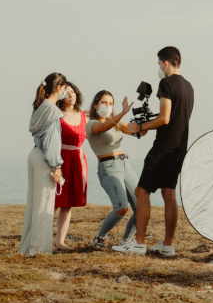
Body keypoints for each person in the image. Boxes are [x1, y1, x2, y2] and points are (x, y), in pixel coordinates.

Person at [115, 46, 195, 256]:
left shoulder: (166, 83)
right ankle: (167, 246)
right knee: (169, 193)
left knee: (142, 191)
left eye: (159, 65)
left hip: (163, 147)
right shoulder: (188, 87)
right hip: (180, 147)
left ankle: (139, 243)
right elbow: (173, 118)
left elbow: (165, 118)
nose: (159, 68)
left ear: (166, 63)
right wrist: (148, 121)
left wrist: (139, 127)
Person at [87, 90, 144, 250]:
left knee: (142, 206)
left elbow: (134, 129)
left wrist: (143, 127)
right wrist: (122, 113)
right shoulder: (91, 124)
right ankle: (99, 238)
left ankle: (126, 241)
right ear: (95, 104)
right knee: (122, 208)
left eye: (111, 103)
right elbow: (104, 126)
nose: (108, 106)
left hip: (125, 164)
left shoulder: (117, 122)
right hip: (108, 168)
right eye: (104, 103)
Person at [19, 73, 67, 256]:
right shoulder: (54, 111)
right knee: (44, 204)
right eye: (64, 88)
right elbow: (52, 141)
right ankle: (38, 249)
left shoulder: (39, 106)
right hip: (44, 158)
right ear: (58, 88)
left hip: (33, 155)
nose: (64, 92)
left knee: (33, 204)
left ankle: (27, 248)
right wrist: (57, 166)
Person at [53, 82, 88, 250]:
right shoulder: (56, 116)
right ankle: (42, 237)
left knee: (67, 204)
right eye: (66, 93)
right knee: (53, 203)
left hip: (78, 161)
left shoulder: (84, 116)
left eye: (73, 91)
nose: (70, 95)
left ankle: (60, 241)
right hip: (60, 160)